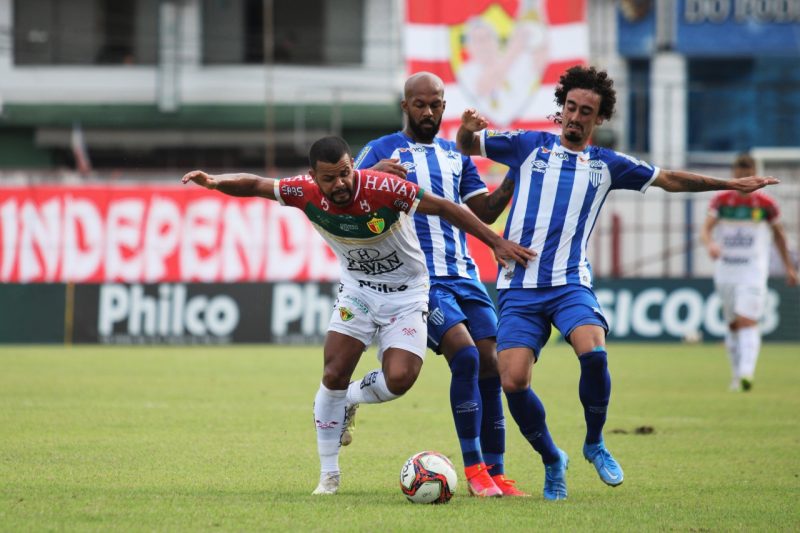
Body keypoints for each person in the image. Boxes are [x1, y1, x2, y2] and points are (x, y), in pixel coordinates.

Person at [456, 65, 780, 500]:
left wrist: (731, 185)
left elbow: (669, 179)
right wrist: (466, 128)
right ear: (562, 108)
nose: (575, 117)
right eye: (570, 107)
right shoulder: (528, 145)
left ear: (599, 118)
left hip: (570, 283)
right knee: (512, 381)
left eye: (585, 111)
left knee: (594, 352)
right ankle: (553, 458)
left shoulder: (608, 165)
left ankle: (594, 442)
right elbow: (466, 145)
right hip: (519, 287)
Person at [182, 135, 533, 496]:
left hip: (408, 294)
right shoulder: (302, 191)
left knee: (400, 379)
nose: (340, 184)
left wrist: (495, 241)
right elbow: (256, 184)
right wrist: (214, 181)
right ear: (313, 178)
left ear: (354, 166)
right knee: (332, 371)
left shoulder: (384, 188)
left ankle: (351, 398)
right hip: (359, 292)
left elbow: (444, 207)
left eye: (345, 174)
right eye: (329, 178)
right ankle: (329, 475)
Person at [353, 72, 525, 497]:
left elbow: (482, 212)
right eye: (419, 104)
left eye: (435, 104)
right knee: (465, 355)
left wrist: (513, 176)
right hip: (420, 281)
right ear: (405, 106)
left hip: (466, 276)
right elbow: (347, 198)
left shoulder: (454, 155)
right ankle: (473, 470)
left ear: (444, 107)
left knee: (492, 364)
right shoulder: (381, 150)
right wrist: (372, 173)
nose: (428, 112)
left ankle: (496, 472)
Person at [700, 153, 798, 392]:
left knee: (747, 320)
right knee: (733, 324)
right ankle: (736, 376)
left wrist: (789, 267)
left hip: (752, 270)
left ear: (755, 174)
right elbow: (706, 230)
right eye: (739, 174)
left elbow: (779, 236)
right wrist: (710, 244)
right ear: (734, 174)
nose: (743, 179)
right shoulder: (721, 201)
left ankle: (747, 373)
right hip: (726, 271)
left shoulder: (766, 204)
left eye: (748, 174)